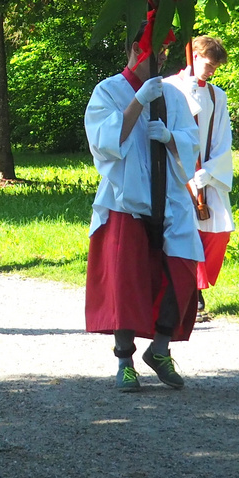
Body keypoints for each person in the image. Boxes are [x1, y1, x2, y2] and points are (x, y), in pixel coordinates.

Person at [84, 27, 203, 393]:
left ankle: (161, 348)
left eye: (167, 52)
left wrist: (170, 137)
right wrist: (137, 102)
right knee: (127, 279)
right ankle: (124, 359)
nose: (163, 59)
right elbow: (105, 142)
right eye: (156, 52)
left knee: (183, 269)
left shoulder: (174, 95)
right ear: (137, 49)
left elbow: (189, 140)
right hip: (126, 198)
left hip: (169, 196)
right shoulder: (108, 90)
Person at [165, 36, 235, 318]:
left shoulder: (217, 95)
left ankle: (196, 287)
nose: (211, 70)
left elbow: (221, 137)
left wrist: (210, 171)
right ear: (193, 55)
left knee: (219, 231)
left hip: (207, 172)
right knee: (186, 230)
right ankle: (193, 292)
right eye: (208, 63)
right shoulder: (171, 87)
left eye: (216, 66)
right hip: (176, 169)